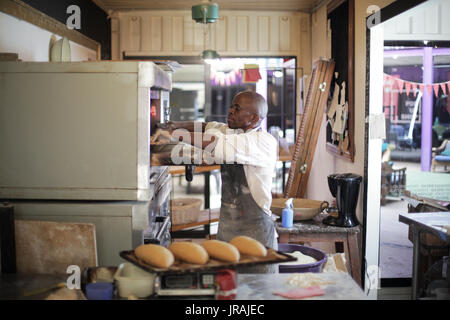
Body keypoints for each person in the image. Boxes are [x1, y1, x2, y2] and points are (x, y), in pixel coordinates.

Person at [157, 91, 278, 273]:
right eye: (231, 106)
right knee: (227, 287)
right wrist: (175, 124)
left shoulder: (262, 142)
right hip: (227, 230)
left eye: (236, 109)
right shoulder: (233, 130)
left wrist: (173, 133)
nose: (230, 111)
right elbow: (208, 126)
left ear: (253, 118)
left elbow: (214, 142)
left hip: (256, 234)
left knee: (258, 290)